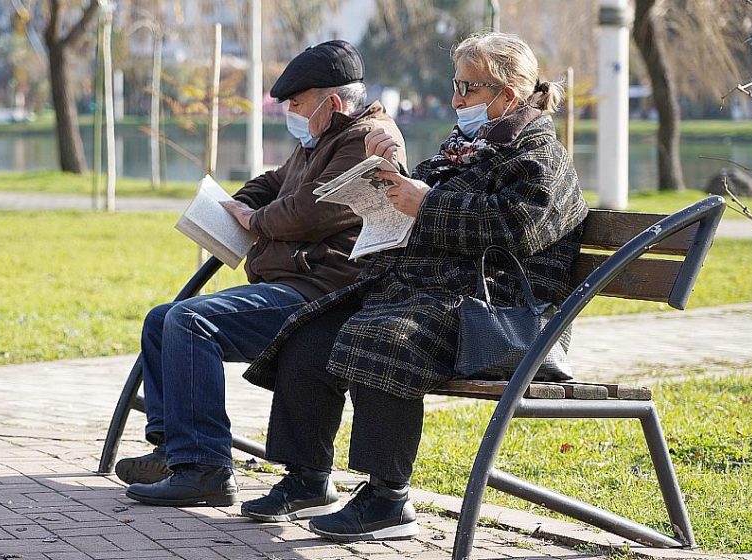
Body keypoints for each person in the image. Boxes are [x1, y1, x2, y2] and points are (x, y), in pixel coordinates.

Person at [239, 32, 589, 541]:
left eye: (468, 88)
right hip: (430, 293)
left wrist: (424, 202)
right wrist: (385, 178)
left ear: (509, 95)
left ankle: (388, 499)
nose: (456, 100)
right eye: (456, 85)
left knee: (382, 337)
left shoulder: (541, 156)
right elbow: (416, 200)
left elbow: (515, 228)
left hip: (492, 308)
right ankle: (306, 477)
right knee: (310, 332)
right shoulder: (464, 149)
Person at [120, 40, 406, 508]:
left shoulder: (366, 140)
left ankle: (205, 468)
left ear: (332, 103)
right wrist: (237, 203)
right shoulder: (320, 138)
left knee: (191, 321)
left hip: (321, 290)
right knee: (161, 319)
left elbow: (314, 210)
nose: (290, 113)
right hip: (291, 282)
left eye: (297, 103)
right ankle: (175, 450)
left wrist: (255, 220)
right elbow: (275, 182)